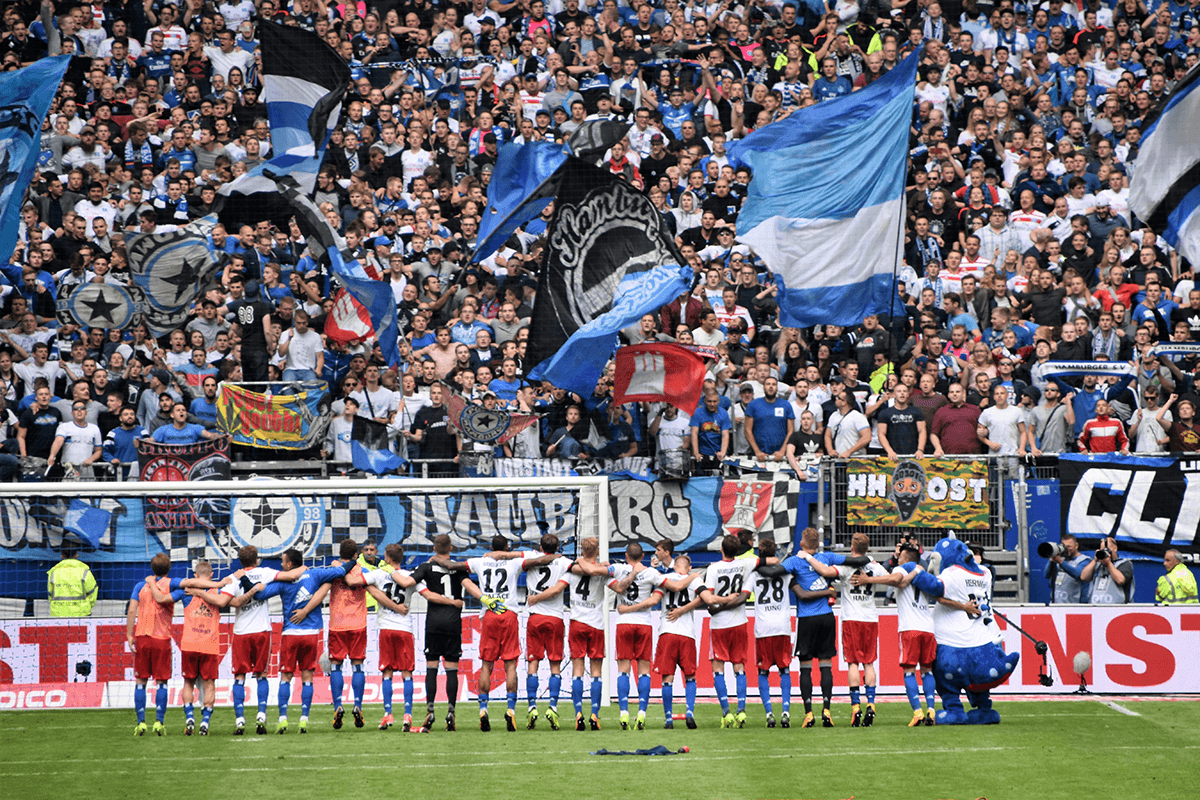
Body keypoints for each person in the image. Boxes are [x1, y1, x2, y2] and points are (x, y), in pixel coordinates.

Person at [459, 537, 551, 731]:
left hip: (490, 613)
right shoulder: (515, 562)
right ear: (507, 548)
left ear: (491, 548)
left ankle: (483, 709)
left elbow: (457, 568)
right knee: (510, 665)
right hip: (508, 614)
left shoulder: (479, 561)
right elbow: (539, 559)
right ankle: (511, 710)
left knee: (486, 664)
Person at [126, 553, 222, 736]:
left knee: (141, 682)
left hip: (142, 637)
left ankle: (141, 723)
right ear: (169, 568)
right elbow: (181, 591)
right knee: (162, 682)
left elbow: (131, 610)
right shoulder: (173, 583)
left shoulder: (140, 585)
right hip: (162, 638)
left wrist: (130, 634)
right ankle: (159, 723)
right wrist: (218, 584)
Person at [780, 527, 866, 728]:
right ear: (817, 544)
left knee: (806, 668)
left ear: (801, 544)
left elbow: (775, 572)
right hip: (827, 617)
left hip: (807, 619)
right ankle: (827, 709)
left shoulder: (794, 561)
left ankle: (809, 713)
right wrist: (828, 590)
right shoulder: (826, 558)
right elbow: (859, 560)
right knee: (826, 664)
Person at [851, 541, 937, 726]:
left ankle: (917, 712)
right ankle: (931, 709)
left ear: (906, 559)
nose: (898, 559)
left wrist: (868, 580)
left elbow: (895, 580)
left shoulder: (905, 569)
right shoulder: (923, 574)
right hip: (928, 628)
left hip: (910, 628)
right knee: (927, 671)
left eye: (900, 556)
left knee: (909, 672)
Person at [289, 539, 372, 730]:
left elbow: (321, 593)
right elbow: (374, 589)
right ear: (355, 554)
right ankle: (358, 704)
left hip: (338, 625)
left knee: (336, 665)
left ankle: (338, 705)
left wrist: (305, 611)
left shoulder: (333, 571)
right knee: (357, 665)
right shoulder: (363, 571)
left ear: (339, 552)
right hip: (359, 624)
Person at [220, 544, 301, 735]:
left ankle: (240, 719)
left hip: (241, 632)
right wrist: (305, 568)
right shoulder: (264, 572)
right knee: (261, 675)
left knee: (239, 676)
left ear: (240, 561)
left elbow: (226, 602)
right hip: (262, 631)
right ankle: (261, 716)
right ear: (256, 560)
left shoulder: (233, 578)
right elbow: (290, 576)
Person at [408, 534, 478, 732]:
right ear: (452, 548)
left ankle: (430, 710)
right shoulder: (457, 568)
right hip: (453, 622)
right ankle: (451, 711)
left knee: (431, 666)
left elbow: (409, 581)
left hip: (434, 623)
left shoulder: (426, 567)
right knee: (451, 668)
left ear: (434, 548)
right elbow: (469, 586)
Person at [169, 560, 235, 736]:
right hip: (210, 645)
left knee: (188, 682)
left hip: (189, 643)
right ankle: (205, 722)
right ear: (212, 575)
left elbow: (165, 598)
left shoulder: (187, 591)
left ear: (195, 576)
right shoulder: (218, 591)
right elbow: (227, 602)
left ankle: (190, 718)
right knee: (209, 684)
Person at [833, 533, 889, 727]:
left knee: (853, 663)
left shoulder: (845, 566)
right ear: (868, 547)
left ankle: (856, 706)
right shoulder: (874, 566)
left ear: (851, 547)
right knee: (869, 662)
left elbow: (828, 572)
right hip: (870, 618)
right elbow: (890, 578)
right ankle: (871, 704)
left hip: (851, 618)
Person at [701, 534, 757, 728]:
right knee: (739, 668)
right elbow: (766, 560)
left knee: (718, 669)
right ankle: (741, 711)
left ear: (721, 549)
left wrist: (720, 603)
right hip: (740, 622)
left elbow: (709, 596)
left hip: (719, 624)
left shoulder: (713, 568)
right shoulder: (745, 564)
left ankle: (726, 713)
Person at [362, 544, 419, 730]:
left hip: (386, 628)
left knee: (387, 671)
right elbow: (426, 591)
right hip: (405, 628)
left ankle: (388, 714)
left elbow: (357, 581)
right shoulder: (410, 576)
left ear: (386, 557)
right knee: (407, 672)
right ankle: (408, 714)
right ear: (401, 559)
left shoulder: (378, 574)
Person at [649, 541, 704, 729]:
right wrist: (684, 610)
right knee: (690, 676)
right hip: (687, 633)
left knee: (667, 677)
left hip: (667, 631)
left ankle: (668, 719)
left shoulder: (664, 578)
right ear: (688, 568)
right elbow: (704, 597)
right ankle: (689, 712)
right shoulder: (694, 579)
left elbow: (655, 598)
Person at [749, 539, 795, 728]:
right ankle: (785, 711)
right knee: (784, 669)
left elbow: (743, 595)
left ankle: (769, 713)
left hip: (763, 628)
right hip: (782, 627)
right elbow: (798, 590)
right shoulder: (785, 573)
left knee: (763, 671)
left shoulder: (753, 573)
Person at [565, 537, 609, 730]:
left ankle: (578, 713)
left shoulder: (571, 569)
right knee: (597, 671)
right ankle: (595, 714)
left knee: (577, 669)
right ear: (597, 551)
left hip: (577, 622)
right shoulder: (603, 571)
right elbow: (617, 586)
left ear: (582, 551)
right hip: (596, 624)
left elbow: (558, 587)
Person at [744, 376, 794, 462]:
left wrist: (782, 451)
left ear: (777, 388)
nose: (771, 386)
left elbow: (791, 430)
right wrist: (757, 451)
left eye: (774, 384)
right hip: (758, 455)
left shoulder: (786, 405)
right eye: (768, 384)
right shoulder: (753, 405)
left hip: (781, 455)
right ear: (763, 387)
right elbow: (747, 430)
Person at [47, 400, 102, 476]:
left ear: (86, 412)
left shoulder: (95, 428)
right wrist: (52, 455)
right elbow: (58, 441)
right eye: (76, 409)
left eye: (82, 408)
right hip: (69, 469)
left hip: (87, 470)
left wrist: (91, 459)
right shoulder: (64, 426)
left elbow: (98, 450)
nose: (79, 410)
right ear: (72, 413)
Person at [47, 541, 97, 617]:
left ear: (62, 556)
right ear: (76, 555)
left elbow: (50, 594)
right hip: (82, 614)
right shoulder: (84, 571)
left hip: (58, 614)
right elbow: (93, 592)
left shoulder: (54, 572)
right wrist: (86, 606)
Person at [1081, 536, 1134, 604]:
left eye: (1107, 549)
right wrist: (1095, 560)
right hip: (1095, 608)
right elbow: (1083, 577)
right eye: (1102, 549)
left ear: (1115, 548)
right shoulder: (1097, 565)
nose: (1105, 552)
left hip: (1118, 609)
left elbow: (1120, 580)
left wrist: (1108, 563)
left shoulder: (1124, 564)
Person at [1043, 535, 1093, 603]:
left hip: (1074, 605)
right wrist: (1051, 559)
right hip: (1056, 604)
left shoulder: (1085, 560)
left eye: (1069, 546)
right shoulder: (1061, 559)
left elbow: (1077, 574)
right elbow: (1046, 575)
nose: (1066, 549)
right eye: (1064, 546)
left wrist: (1060, 562)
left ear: (1076, 545)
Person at [150, 402, 224, 444]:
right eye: (178, 410)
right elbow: (149, 442)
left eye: (183, 410)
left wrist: (224, 437)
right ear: (172, 415)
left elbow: (210, 435)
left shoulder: (195, 428)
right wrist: (140, 442)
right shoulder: (162, 430)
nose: (181, 411)